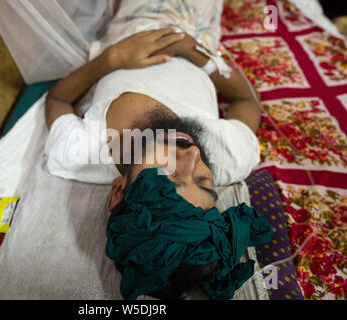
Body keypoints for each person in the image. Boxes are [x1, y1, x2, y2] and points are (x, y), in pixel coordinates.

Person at [44, 0, 271, 300]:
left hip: (128, 20)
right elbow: (246, 101)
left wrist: (109, 60)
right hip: (195, 27)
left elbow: (57, 99)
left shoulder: (80, 152)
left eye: (171, 175)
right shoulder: (229, 155)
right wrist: (195, 52)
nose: (192, 156)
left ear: (118, 191)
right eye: (204, 181)